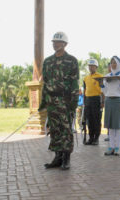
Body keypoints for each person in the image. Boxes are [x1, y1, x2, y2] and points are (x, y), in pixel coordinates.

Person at [38, 32, 79, 170]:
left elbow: (74, 82)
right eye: (53, 42)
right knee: (54, 130)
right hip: (52, 102)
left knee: (66, 129)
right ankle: (57, 157)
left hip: (65, 101)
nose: (55, 44)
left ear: (65, 44)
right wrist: (44, 102)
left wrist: (73, 104)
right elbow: (46, 82)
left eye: (58, 42)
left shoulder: (72, 61)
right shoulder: (48, 61)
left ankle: (66, 158)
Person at [100, 56, 120, 156]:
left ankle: (117, 147)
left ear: (118, 64)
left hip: (118, 100)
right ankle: (111, 146)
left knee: (117, 125)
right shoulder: (107, 76)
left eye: (115, 62)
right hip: (108, 100)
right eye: (112, 63)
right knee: (110, 125)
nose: (113, 64)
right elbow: (105, 91)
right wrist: (101, 85)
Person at [83, 59, 104, 145]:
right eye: (89, 66)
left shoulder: (100, 76)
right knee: (89, 120)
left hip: (96, 99)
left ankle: (96, 138)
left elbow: (103, 90)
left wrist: (103, 102)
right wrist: (84, 102)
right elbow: (85, 90)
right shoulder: (86, 78)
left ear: (96, 67)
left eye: (92, 66)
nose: (90, 67)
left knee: (96, 120)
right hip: (88, 100)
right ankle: (91, 138)